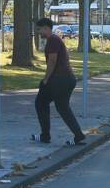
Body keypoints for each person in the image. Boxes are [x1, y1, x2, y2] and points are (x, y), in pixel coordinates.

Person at [32, 18, 86, 146]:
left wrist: (45, 79)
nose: (39, 32)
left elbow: (52, 61)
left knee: (59, 107)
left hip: (60, 79)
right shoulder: (54, 39)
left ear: (46, 28)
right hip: (64, 79)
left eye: (39, 29)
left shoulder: (53, 40)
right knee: (43, 103)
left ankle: (78, 135)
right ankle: (46, 135)